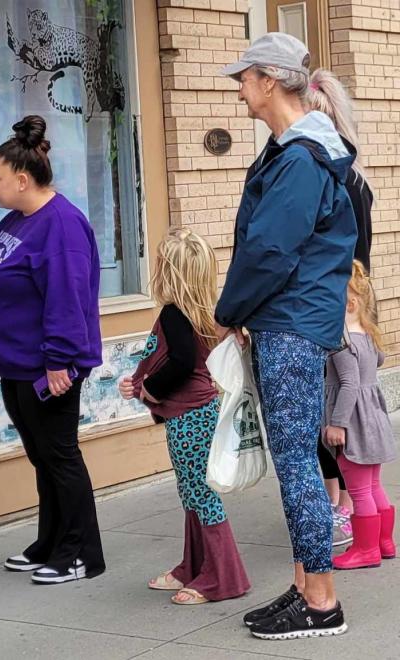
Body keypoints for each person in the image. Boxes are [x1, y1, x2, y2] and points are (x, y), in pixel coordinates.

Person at [215, 33, 356, 639]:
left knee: (297, 460)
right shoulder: (296, 151)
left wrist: (227, 312)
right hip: (291, 319)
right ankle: (305, 585)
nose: (238, 88)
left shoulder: (299, 158)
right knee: (296, 456)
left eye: (242, 77)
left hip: (290, 323)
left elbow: (271, 247)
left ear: (269, 80)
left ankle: (321, 602)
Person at [0, 115, 105, 584]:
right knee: (43, 458)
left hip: (48, 369)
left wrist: (59, 362)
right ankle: (49, 541)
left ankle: (80, 553)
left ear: (23, 179)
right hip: (16, 365)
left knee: (60, 457)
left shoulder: (62, 226)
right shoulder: (18, 220)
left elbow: (67, 299)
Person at [120, 229, 250, 605]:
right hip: (194, 414)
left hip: (191, 417)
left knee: (202, 495)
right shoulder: (200, 314)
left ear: (170, 273)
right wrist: (144, 384)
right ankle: (194, 565)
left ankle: (223, 578)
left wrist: (149, 389)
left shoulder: (176, 314)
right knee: (193, 493)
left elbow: (177, 363)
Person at [307, 68, 376, 547]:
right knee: (341, 407)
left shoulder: (335, 178)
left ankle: (342, 504)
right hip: (350, 308)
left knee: (332, 409)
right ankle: (348, 502)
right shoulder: (356, 177)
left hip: (332, 310)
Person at [322, 261, 396, 570]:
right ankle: (384, 542)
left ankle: (365, 549)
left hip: (354, 425)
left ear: (349, 303)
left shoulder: (342, 342)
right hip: (374, 420)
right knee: (374, 485)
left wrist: (337, 423)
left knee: (358, 488)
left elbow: (350, 383)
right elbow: (376, 362)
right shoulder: (367, 335)